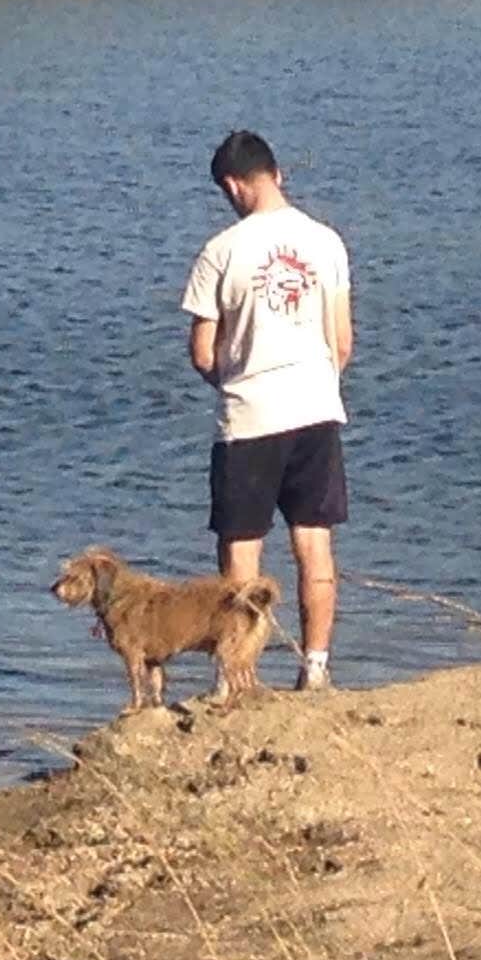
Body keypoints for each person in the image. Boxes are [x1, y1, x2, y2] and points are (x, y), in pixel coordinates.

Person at [182, 130, 355, 691]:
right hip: (317, 408)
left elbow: (202, 352)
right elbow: (343, 342)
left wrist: (230, 380)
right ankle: (316, 667)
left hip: (251, 416)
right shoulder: (326, 241)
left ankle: (239, 675)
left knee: (240, 549)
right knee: (314, 542)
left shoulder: (221, 251)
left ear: (233, 186)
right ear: (276, 175)